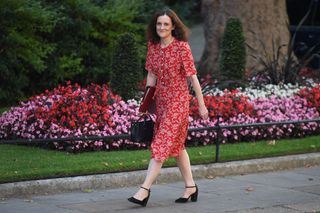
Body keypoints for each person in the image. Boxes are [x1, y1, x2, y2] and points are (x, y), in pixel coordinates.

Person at [128, 8, 208, 207]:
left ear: (173, 26)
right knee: (177, 146)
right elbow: (151, 77)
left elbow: (193, 77)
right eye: (159, 24)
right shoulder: (153, 46)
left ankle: (144, 190)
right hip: (161, 103)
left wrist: (201, 103)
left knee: (162, 144)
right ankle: (190, 187)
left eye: (166, 24)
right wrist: (146, 103)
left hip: (178, 103)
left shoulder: (182, 47)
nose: (162, 27)